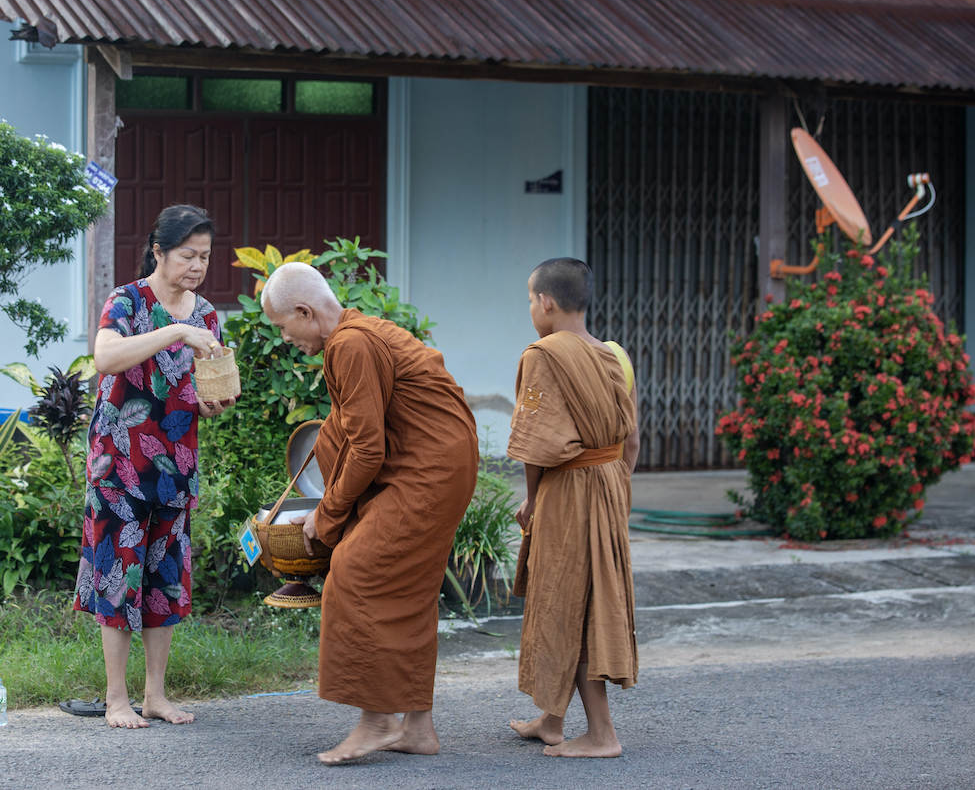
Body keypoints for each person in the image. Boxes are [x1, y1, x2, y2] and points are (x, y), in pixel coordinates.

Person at [260, 262, 479, 764]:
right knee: (410, 589)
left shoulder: (349, 343)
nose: (285, 338)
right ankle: (417, 729)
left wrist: (326, 517)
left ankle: (378, 721)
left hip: (427, 471)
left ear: (304, 311)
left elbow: (366, 449)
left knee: (356, 574)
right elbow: (353, 427)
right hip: (439, 463)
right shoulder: (357, 332)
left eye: (283, 327)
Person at [74, 204, 235, 729]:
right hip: (119, 461)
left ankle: (156, 696)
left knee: (164, 577)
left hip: (174, 461)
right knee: (119, 572)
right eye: (188, 254)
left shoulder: (207, 314)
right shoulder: (127, 300)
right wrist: (175, 332)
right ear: (159, 251)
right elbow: (106, 358)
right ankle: (116, 698)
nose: (197, 265)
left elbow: (202, 385)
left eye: (205, 257)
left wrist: (211, 400)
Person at [506, 257, 640, 758]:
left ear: (546, 302)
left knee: (571, 603)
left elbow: (536, 444)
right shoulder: (614, 354)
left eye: (528, 299)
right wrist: (615, 491)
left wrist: (535, 501)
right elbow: (632, 442)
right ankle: (552, 720)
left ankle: (602, 735)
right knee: (576, 596)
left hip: (568, 490)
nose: (530, 309)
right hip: (608, 484)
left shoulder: (542, 354)